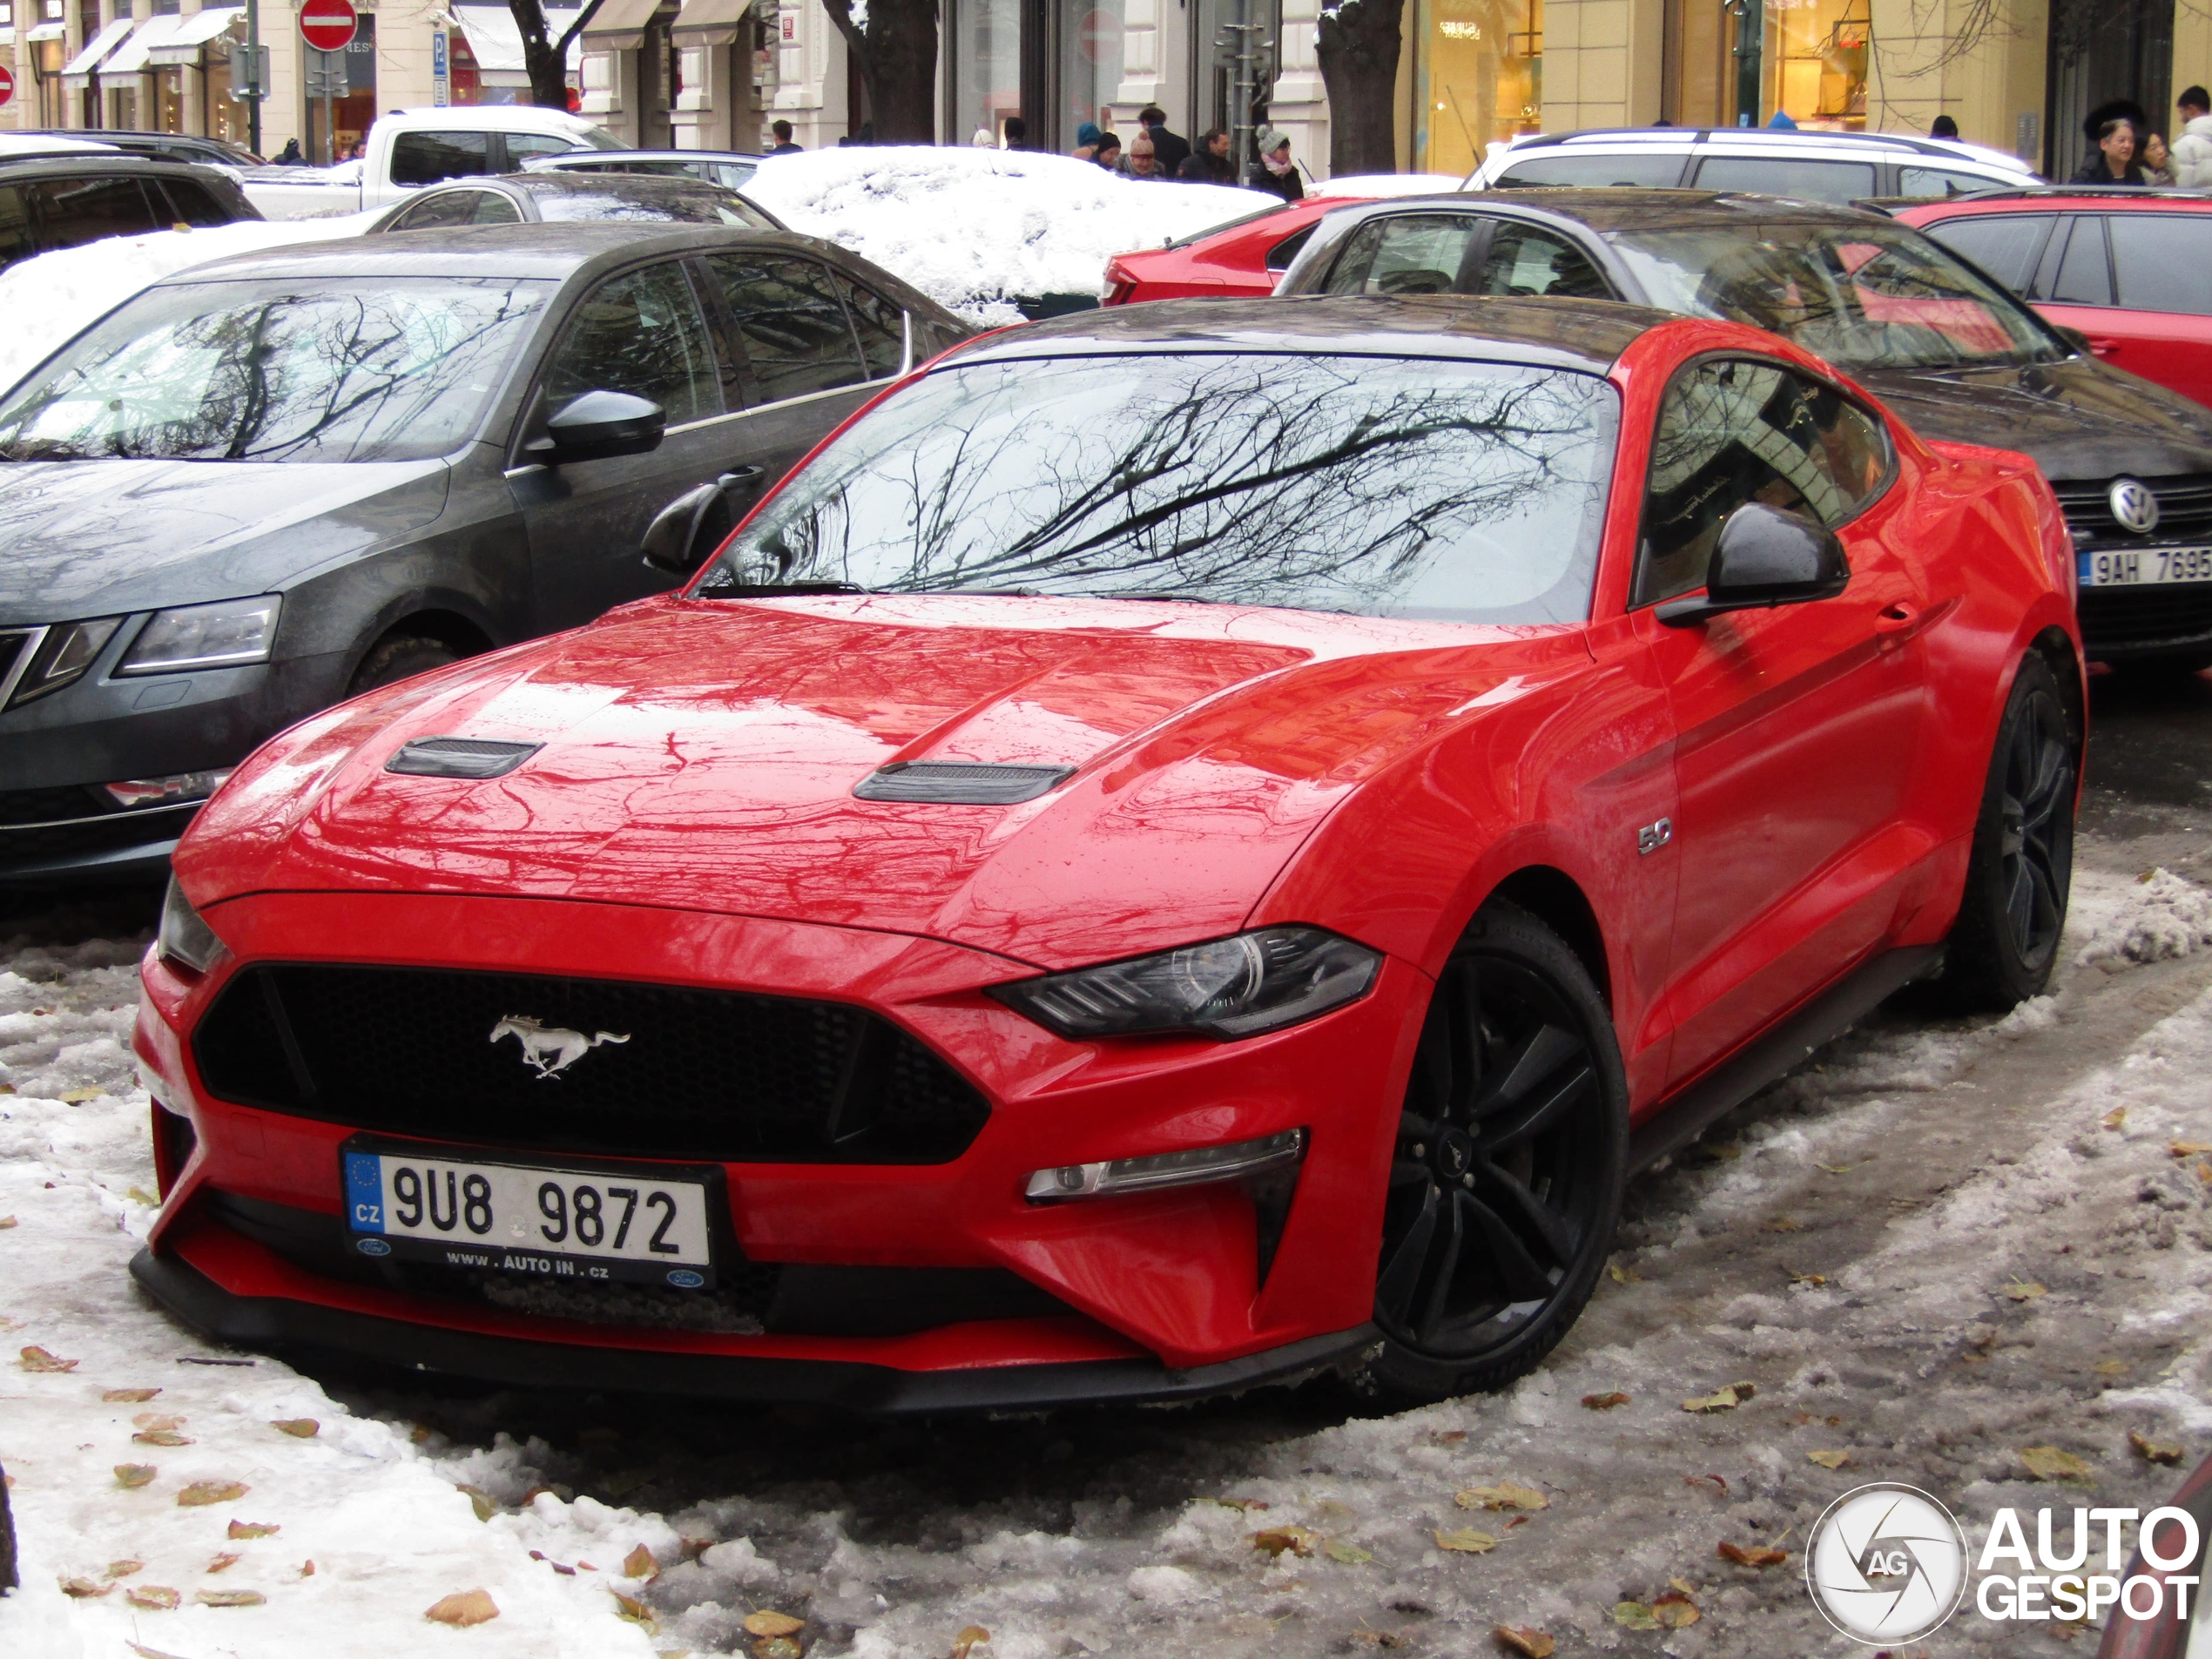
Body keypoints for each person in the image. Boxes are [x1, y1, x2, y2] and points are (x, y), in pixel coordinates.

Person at [2073, 117, 2147, 185]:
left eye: (2131, 141)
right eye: (2121, 140)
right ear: (2104, 145)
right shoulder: (2088, 176)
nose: (2127, 145)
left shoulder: (2136, 175)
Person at [1245, 127, 1304, 201]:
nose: (1287, 152)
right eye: (1283, 150)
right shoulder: (1258, 176)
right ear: (1271, 151)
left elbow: (1299, 200)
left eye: (1288, 149)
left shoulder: (1293, 173)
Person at [2172, 85, 2212, 187]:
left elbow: (2182, 190)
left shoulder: (2185, 145)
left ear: (2191, 109)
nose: (2181, 119)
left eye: (2181, 112)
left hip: (2195, 203)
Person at [1137, 105, 1190, 176]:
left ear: (1145, 122)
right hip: (1175, 184)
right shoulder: (1181, 142)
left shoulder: (1141, 143)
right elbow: (1187, 167)